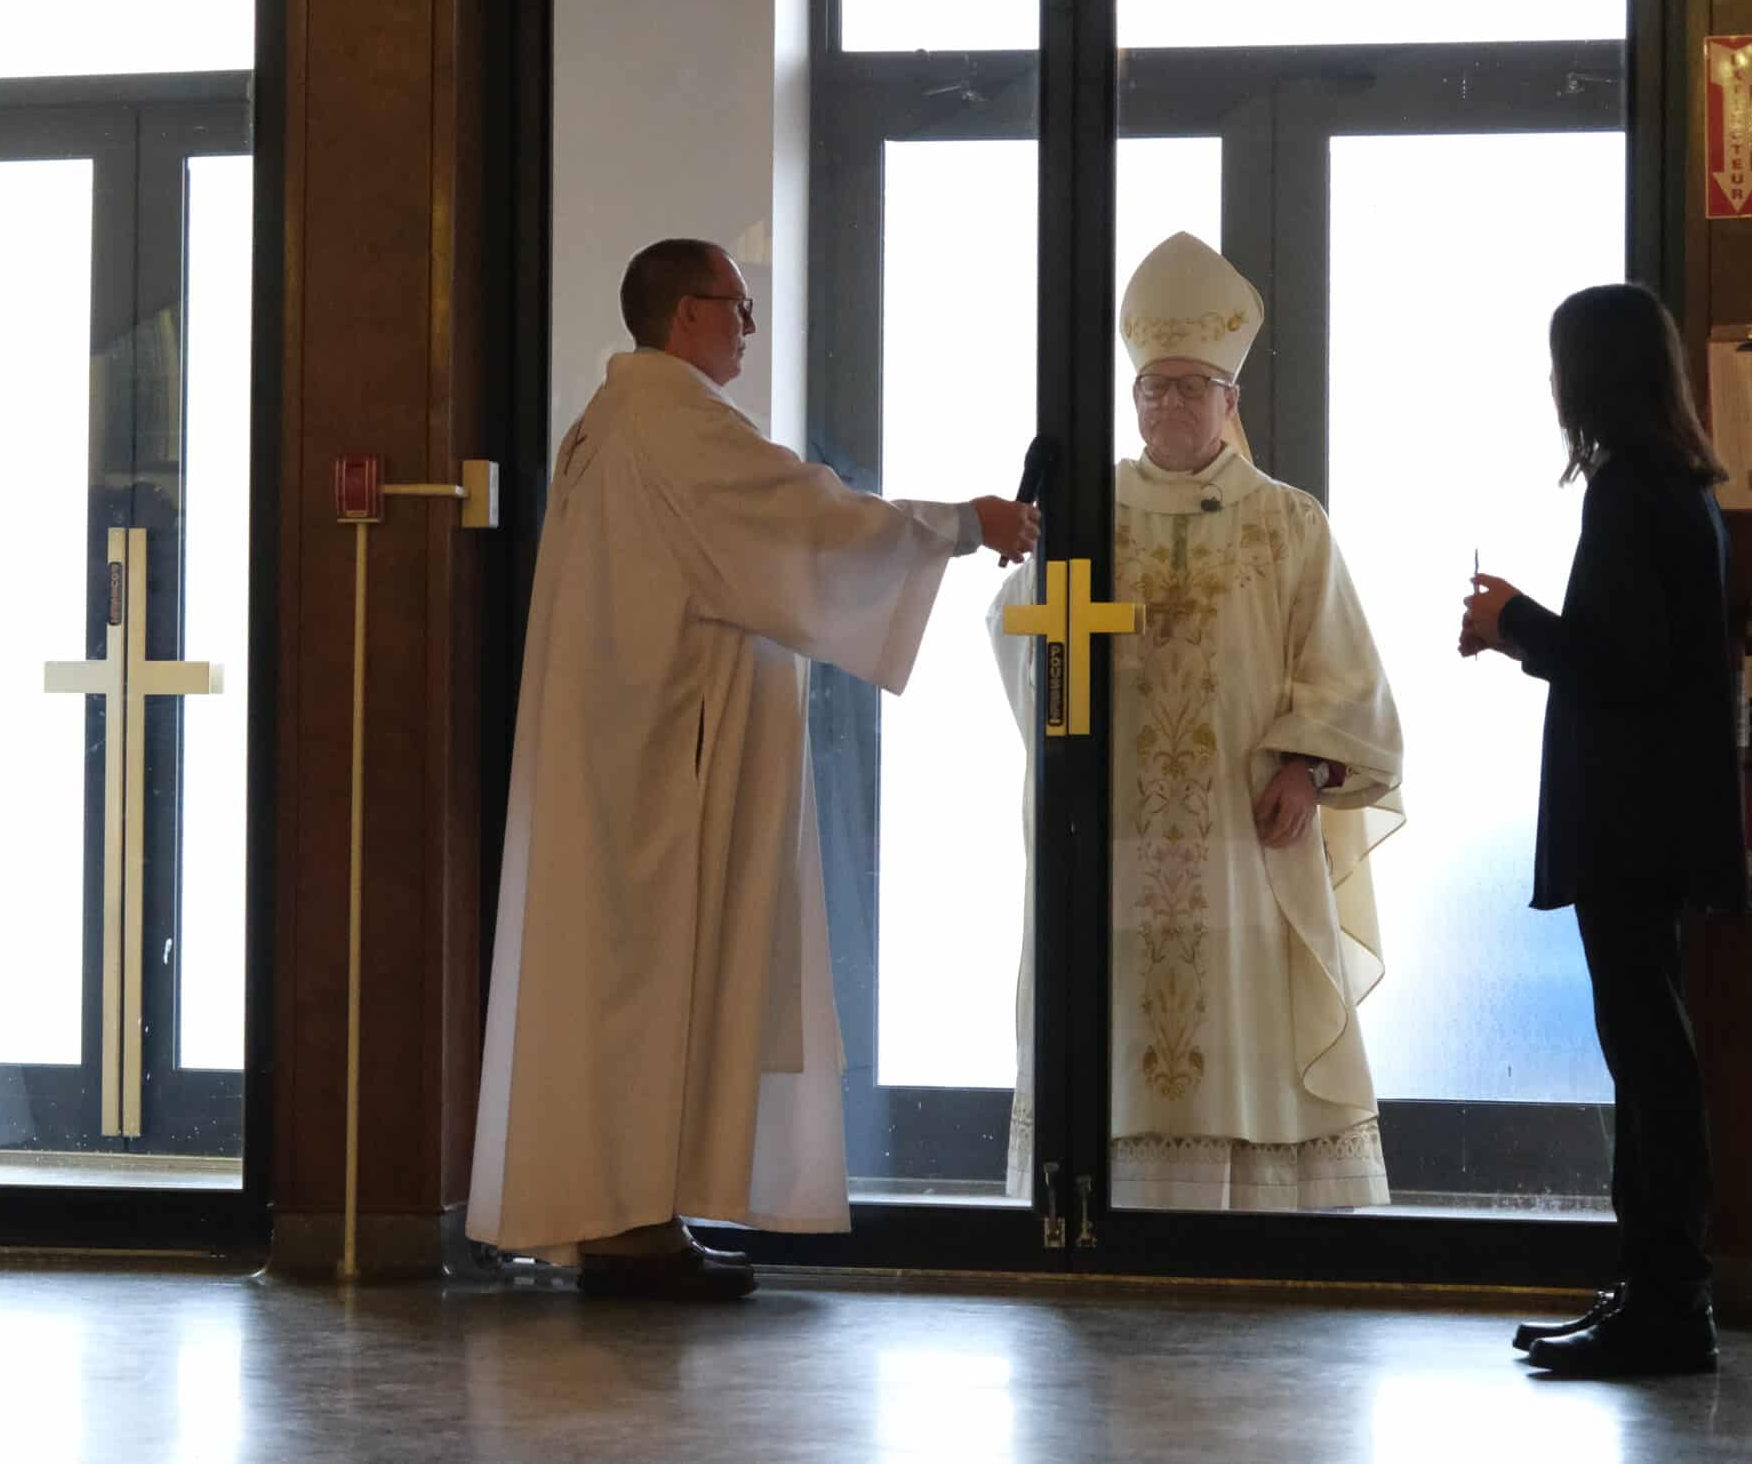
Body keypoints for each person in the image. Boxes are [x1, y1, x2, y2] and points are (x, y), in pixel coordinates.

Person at [468, 238, 1038, 1299]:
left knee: (624, 986)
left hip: (629, 750)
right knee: (649, 982)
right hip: (660, 767)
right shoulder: (671, 420)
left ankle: (627, 1217)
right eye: (737, 307)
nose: (748, 327)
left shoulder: (612, 419)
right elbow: (807, 518)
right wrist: (964, 524)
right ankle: (626, 1227)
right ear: (686, 314)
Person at [1072, 231, 1405, 1212]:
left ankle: (1258, 1218)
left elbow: (1347, 676)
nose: (1169, 405)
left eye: (1192, 387)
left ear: (1232, 400)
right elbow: (1026, 638)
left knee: (1243, 1009)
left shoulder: (1288, 522)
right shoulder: (1089, 514)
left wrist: (1307, 768)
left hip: (1245, 834)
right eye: (1152, 388)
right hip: (1121, 830)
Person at [1462, 282, 1743, 1376]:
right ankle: (1654, 1288)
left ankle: (1668, 1304)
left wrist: (1512, 622)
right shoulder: (1678, 484)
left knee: (1649, 1061)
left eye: (1559, 364)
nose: (1552, 385)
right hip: (1657, 819)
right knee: (1649, 1053)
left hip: (1631, 820)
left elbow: (1625, 667)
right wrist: (1524, 627)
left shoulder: (1629, 490)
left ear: (1590, 374)